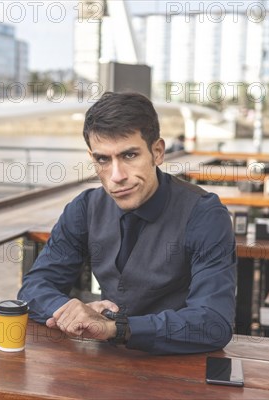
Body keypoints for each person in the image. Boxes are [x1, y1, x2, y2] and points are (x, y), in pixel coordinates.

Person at [18, 92, 236, 355]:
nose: (116, 176)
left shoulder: (204, 214)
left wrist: (116, 328)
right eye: (103, 160)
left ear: (157, 152)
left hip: (180, 367)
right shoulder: (84, 208)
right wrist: (71, 311)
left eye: (129, 155)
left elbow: (213, 322)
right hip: (106, 364)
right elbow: (33, 287)